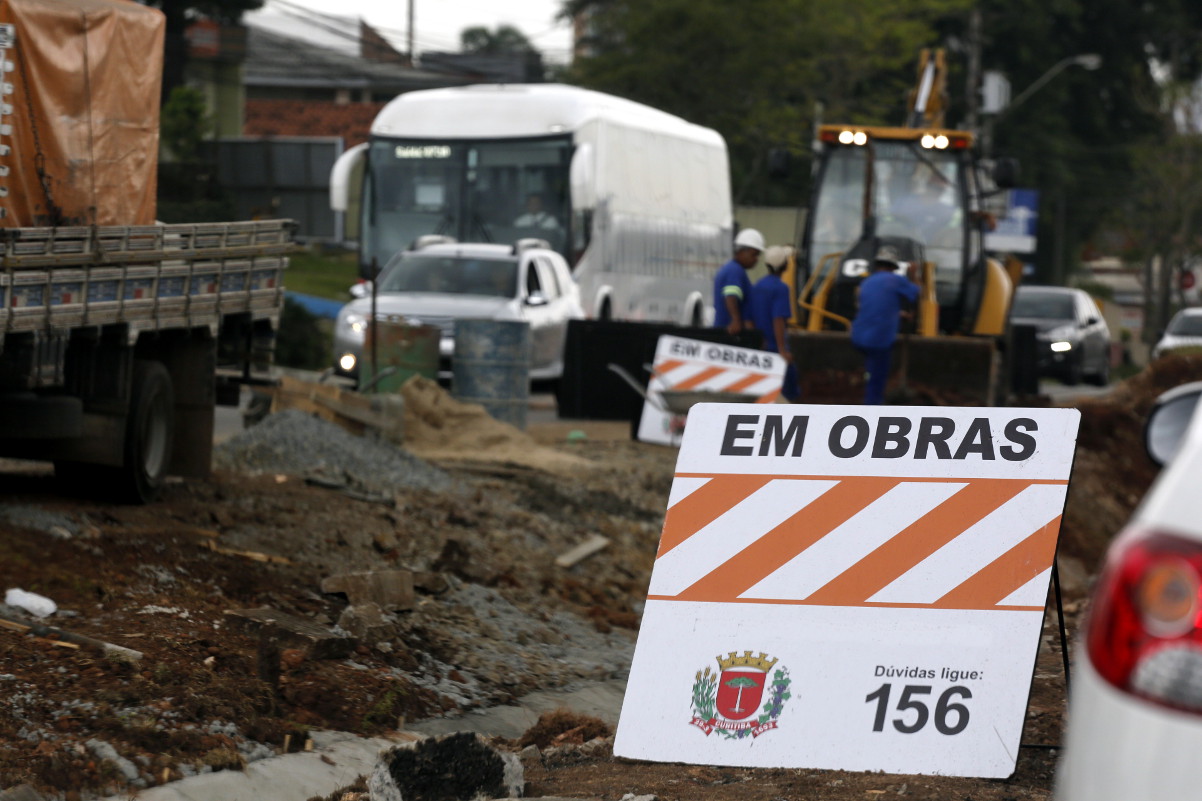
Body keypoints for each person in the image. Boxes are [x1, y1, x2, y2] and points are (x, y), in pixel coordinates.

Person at [850, 245, 920, 405]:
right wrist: (914, 274)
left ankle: (867, 381)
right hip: (878, 339)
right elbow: (916, 292)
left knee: (872, 369)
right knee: (878, 377)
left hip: (859, 336)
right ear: (894, 267)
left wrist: (899, 314)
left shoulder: (867, 282)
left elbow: (876, 306)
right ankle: (872, 408)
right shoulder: (896, 280)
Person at [750, 245, 801, 401]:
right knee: (790, 392)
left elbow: (751, 317)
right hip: (774, 348)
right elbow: (778, 320)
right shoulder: (781, 288)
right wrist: (782, 350)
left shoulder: (757, 285)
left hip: (760, 346)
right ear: (784, 265)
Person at [713, 228, 764, 335]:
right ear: (742, 251)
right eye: (754, 254)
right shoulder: (735, 271)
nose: (756, 259)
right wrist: (735, 320)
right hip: (730, 333)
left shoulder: (733, 269)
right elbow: (730, 295)